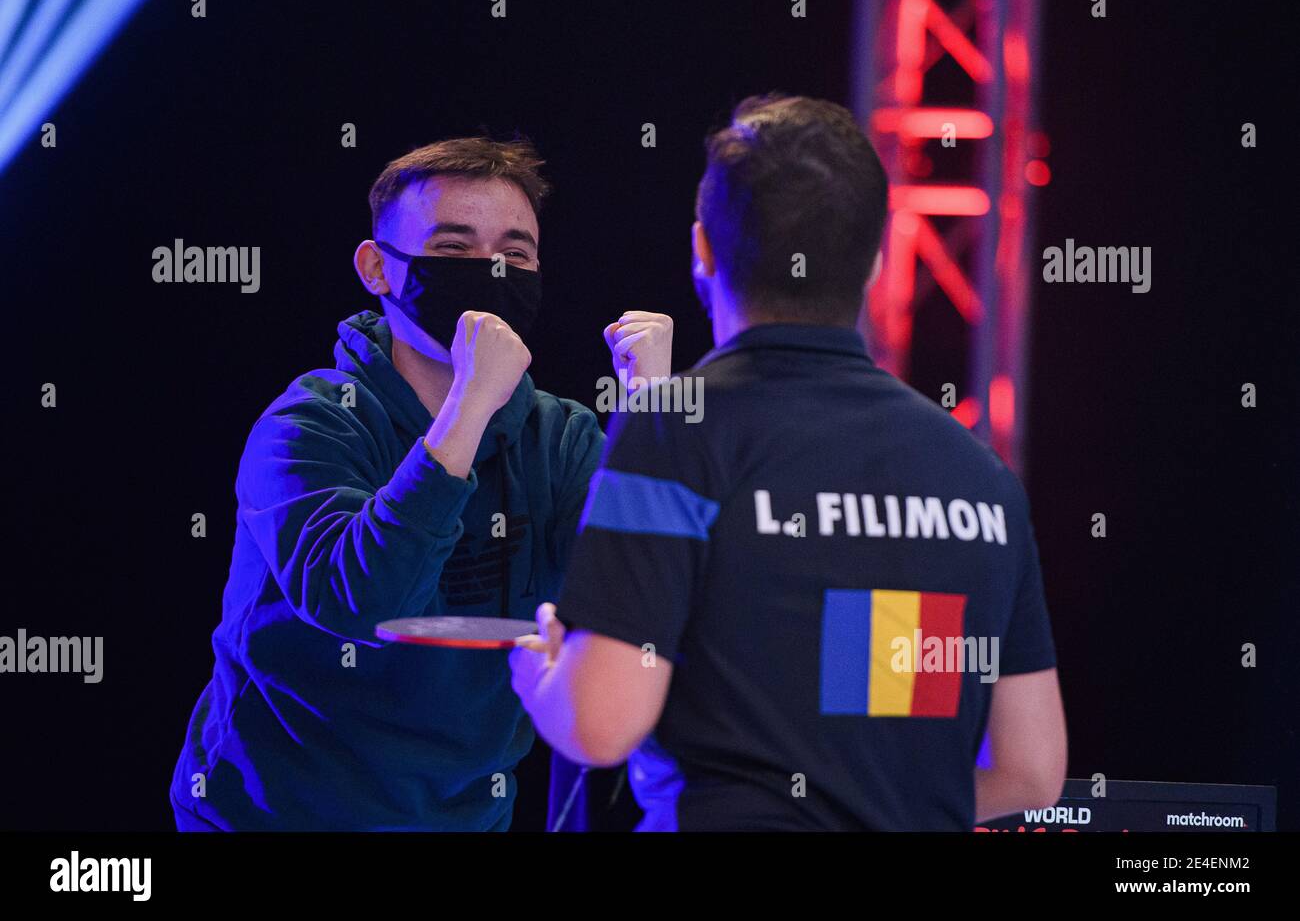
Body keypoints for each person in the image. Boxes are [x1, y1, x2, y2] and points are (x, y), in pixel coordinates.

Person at [510, 95, 1068, 830]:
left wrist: (537, 665)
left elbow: (599, 722)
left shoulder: (674, 427)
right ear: (874, 262)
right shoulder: (980, 474)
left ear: (703, 250)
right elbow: (1031, 770)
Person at [170, 136, 673, 830]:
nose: (489, 271)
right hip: (276, 816)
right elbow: (362, 601)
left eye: (515, 253)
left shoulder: (561, 438)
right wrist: (470, 404)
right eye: (453, 247)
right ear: (377, 268)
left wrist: (650, 418)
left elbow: (639, 598)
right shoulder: (311, 423)